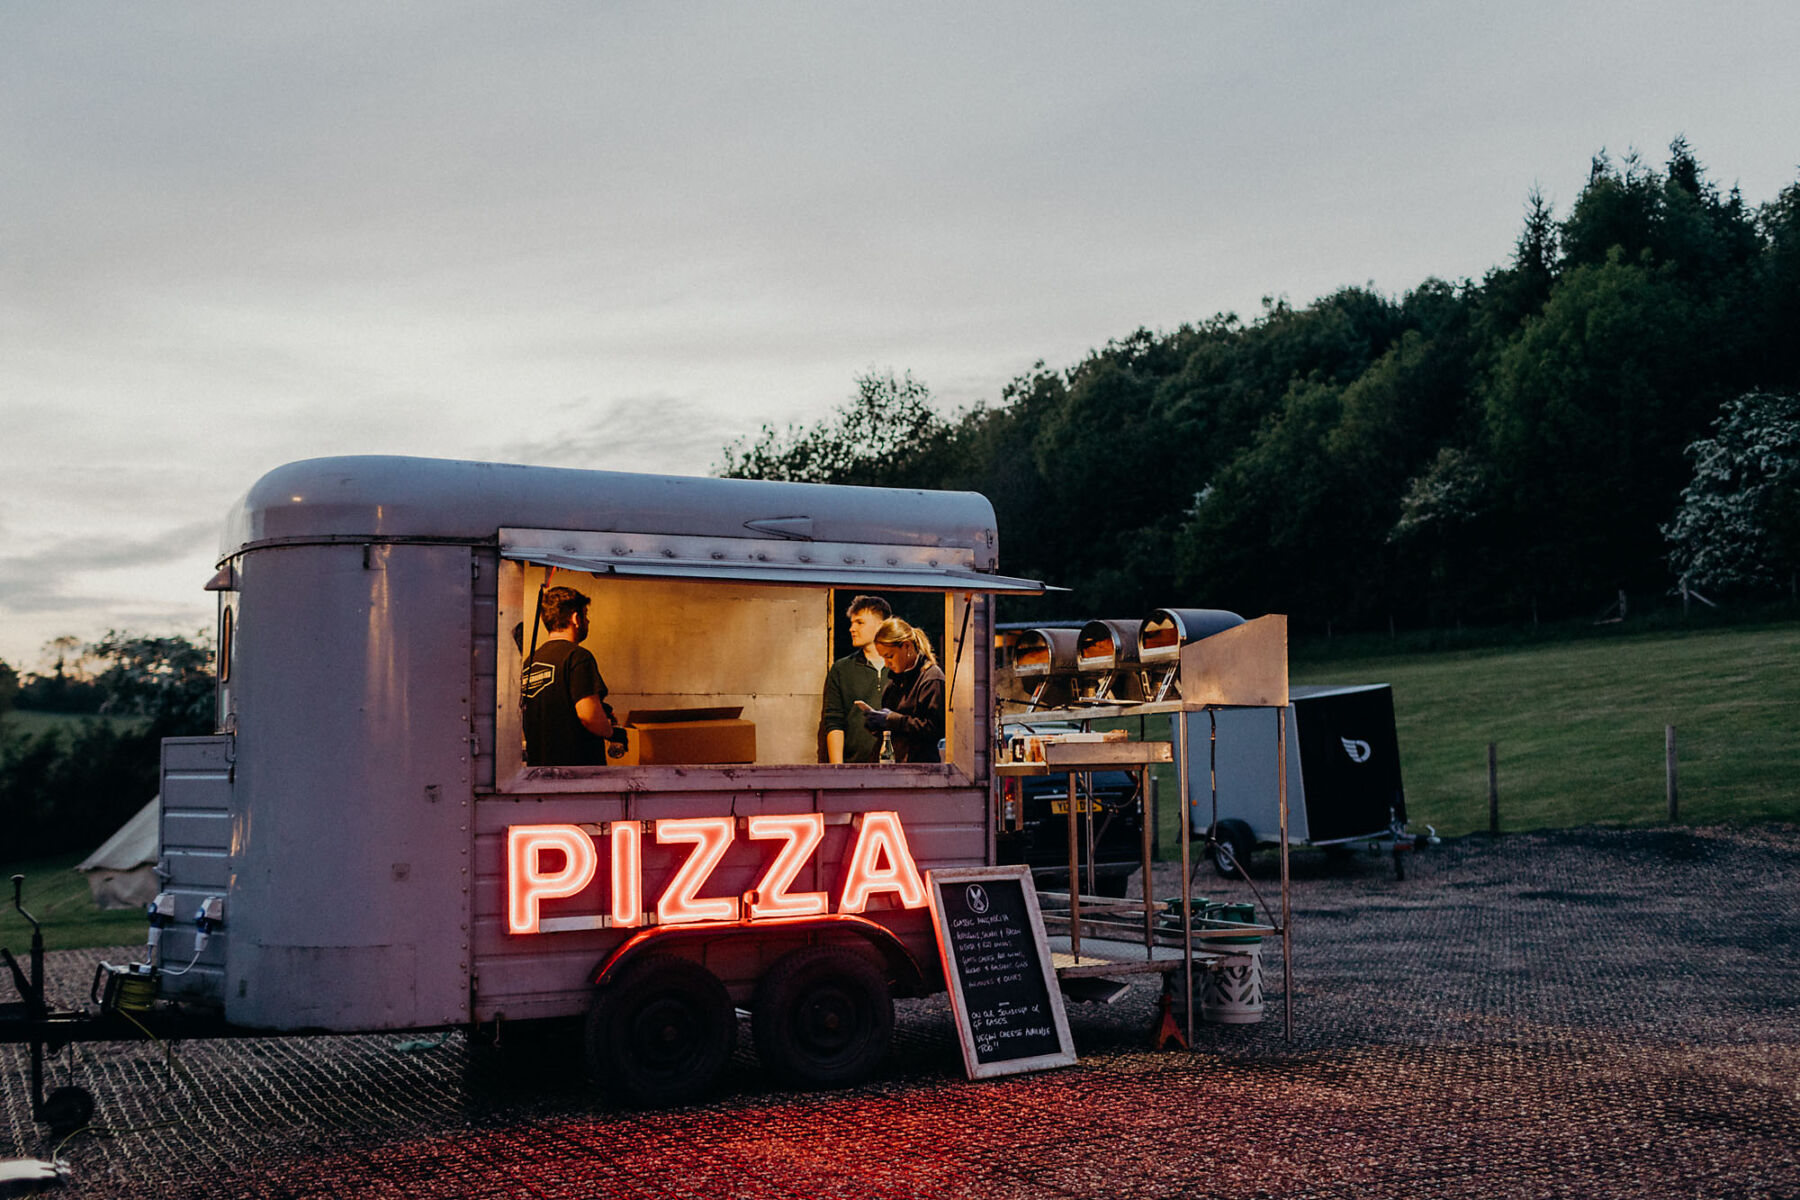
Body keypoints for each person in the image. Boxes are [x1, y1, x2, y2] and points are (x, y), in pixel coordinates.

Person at [521, 585, 614, 766]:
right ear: (575, 618)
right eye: (585, 615)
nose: (588, 621)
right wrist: (611, 731)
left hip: (538, 773)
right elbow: (589, 717)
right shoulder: (578, 657)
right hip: (576, 776)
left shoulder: (530, 662)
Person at [858, 617, 945, 764]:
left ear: (907, 646)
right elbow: (894, 732)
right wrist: (877, 724)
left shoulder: (931, 679)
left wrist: (892, 720)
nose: (886, 663)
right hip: (892, 767)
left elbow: (935, 729)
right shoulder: (894, 683)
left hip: (920, 771)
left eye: (889, 656)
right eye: (883, 658)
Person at [821, 594, 891, 763]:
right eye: (852, 623)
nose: (852, 628)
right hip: (854, 768)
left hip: (898, 769)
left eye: (860, 622)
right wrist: (838, 771)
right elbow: (834, 721)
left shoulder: (900, 667)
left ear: (880, 626)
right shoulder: (842, 669)